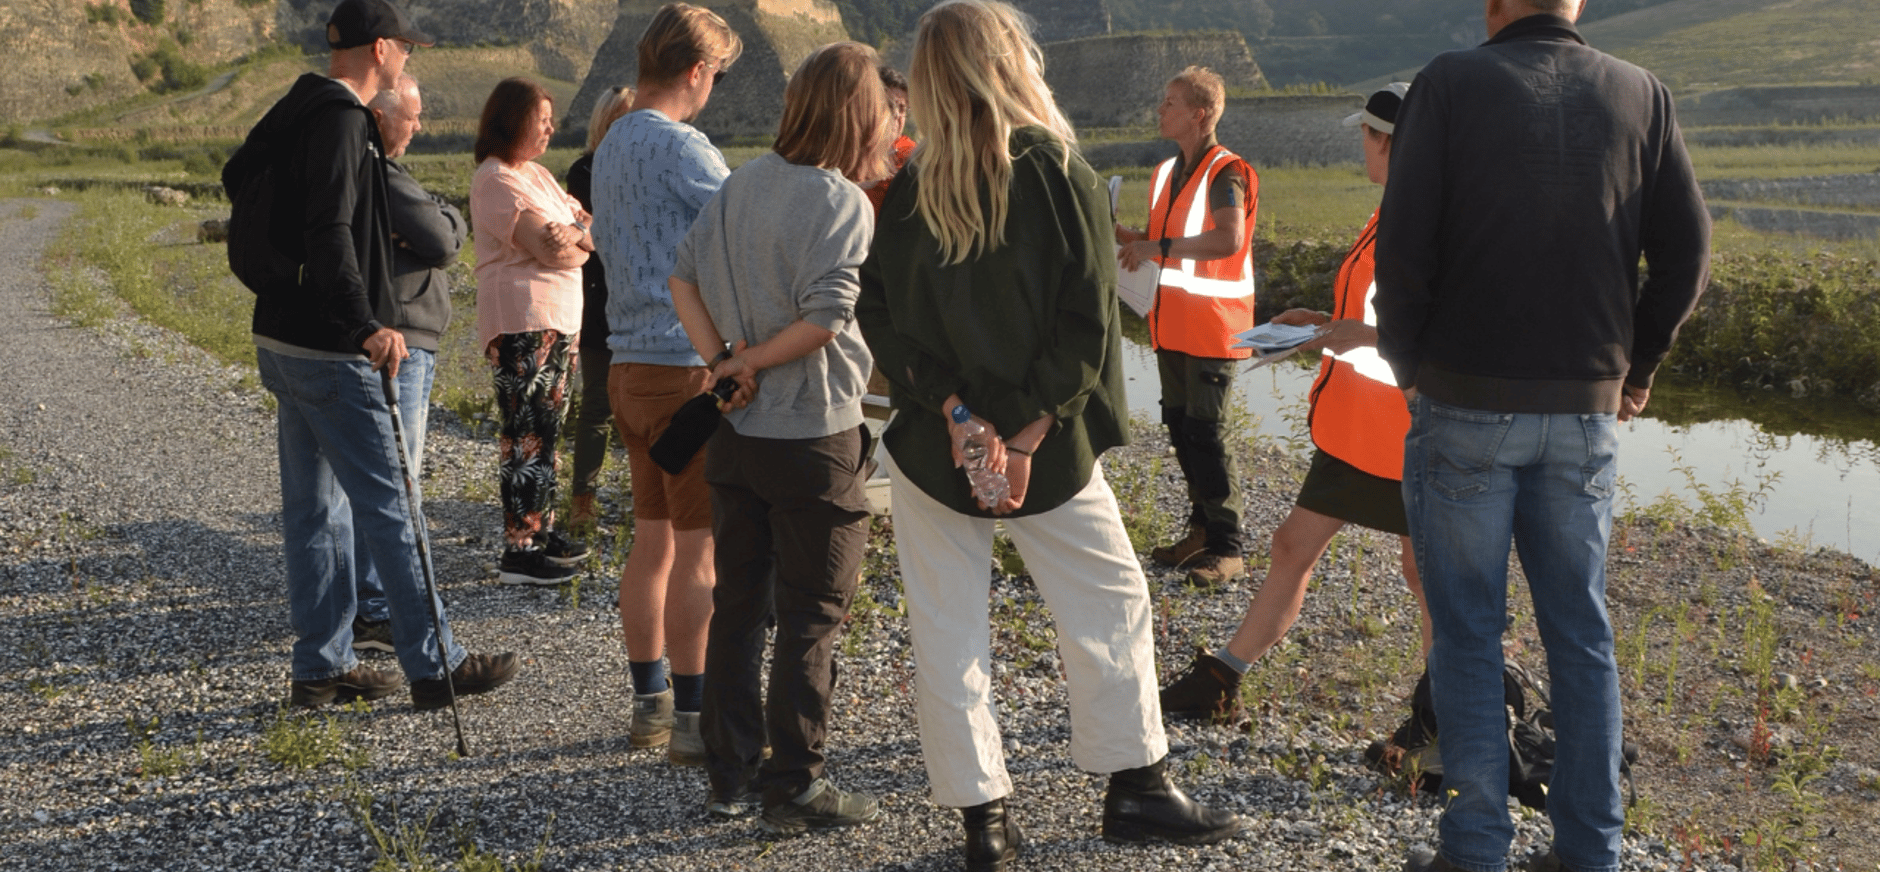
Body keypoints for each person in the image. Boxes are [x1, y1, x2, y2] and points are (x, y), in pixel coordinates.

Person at [857, 3, 1242, 868]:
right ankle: (1135, 786)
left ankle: (983, 822)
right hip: (1045, 446)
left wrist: (957, 415)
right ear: (1011, 60)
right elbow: (1086, 325)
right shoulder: (1054, 165)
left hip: (935, 445)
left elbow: (879, 311)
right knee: (1108, 601)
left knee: (948, 627)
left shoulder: (916, 182)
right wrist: (1022, 438)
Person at [1373, 2, 1711, 871]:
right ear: (1579, 6)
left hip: (1463, 402)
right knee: (1580, 636)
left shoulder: (1448, 82)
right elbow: (1689, 251)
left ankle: (1476, 849)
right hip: (1586, 410)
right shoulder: (1644, 94)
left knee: (1468, 637)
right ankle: (1589, 853)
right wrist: (1635, 367)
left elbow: (1403, 245)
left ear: (1492, 6)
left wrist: (1408, 363)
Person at [230, 0, 517, 709]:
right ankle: (436, 664)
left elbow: (239, 176)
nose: (407, 59)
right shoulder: (341, 118)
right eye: (406, 51)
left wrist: (289, 260)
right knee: (394, 508)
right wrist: (362, 324)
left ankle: (321, 669)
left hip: (283, 337)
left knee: (315, 511)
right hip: (333, 348)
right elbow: (330, 231)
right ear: (383, 48)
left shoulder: (298, 101)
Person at [1158, 83, 1434, 725]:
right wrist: (1321, 324)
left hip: (1409, 432)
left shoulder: (1427, 220)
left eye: (1365, 136)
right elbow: (1380, 313)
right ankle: (1222, 678)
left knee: (1425, 575)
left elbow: (1441, 332)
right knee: (1290, 546)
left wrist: (1352, 335)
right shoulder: (1391, 210)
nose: (1360, 146)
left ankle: (1443, 717)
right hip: (1358, 430)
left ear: (1387, 142)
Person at [669, 40, 888, 834]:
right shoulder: (842, 201)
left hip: (737, 436)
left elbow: (681, 276)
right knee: (811, 615)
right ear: (862, 115)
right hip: (813, 438)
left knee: (739, 607)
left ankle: (729, 775)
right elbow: (828, 318)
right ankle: (794, 785)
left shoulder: (742, 182)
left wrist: (722, 361)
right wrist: (752, 359)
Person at [591, 1, 740, 759]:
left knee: (649, 543)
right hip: (684, 370)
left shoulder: (613, 139)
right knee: (698, 551)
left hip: (626, 367)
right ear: (695, 71)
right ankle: (694, 719)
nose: (714, 87)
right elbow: (744, 226)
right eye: (716, 73)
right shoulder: (682, 146)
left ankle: (649, 703)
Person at [1114, 66, 1259, 589]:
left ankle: (1228, 549)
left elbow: (1227, 240)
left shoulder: (1227, 172)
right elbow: (1159, 241)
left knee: (1207, 433)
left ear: (1198, 114)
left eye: (1170, 102)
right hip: (1171, 325)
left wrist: (1161, 248)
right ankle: (1200, 531)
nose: (1161, 110)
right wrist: (1123, 235)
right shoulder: (1166, 172)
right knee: (1181, 428)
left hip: (1213, 328)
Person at [347, 73, 468, 654]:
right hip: (403, 339)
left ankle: (369, 601)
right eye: (411, 116)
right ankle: (377, 608)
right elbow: (443, 240)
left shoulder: (379, 174)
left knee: (381, 478)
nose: (418, 127)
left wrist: (441, 214)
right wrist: (443, 218)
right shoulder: (384, 176)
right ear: (379, 115)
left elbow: (440, 222)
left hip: (401, 333)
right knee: (398, 480)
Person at [471, 77, 595, 586]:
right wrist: (580, 242)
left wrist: (580, 237)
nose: (550, 126)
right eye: (540, 118)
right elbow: (549, 248)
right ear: (511, 119)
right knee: (525, 433)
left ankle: (539, 532)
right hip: (523, 322)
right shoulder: (497, 179)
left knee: (547, 433)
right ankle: (519, 547)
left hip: (558, 322)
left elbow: (589, 229)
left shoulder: (539, 176)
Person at [562, 86, 636, 537]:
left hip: (640, 299)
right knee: (597, 406)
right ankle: (582, 499)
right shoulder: (586, 171)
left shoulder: (642, 165)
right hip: (600, 303)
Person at [860, 63, 915, 215]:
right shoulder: (846, 153)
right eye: (889, 106)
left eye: (902, 108)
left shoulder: (910, 157)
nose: (896, 116)